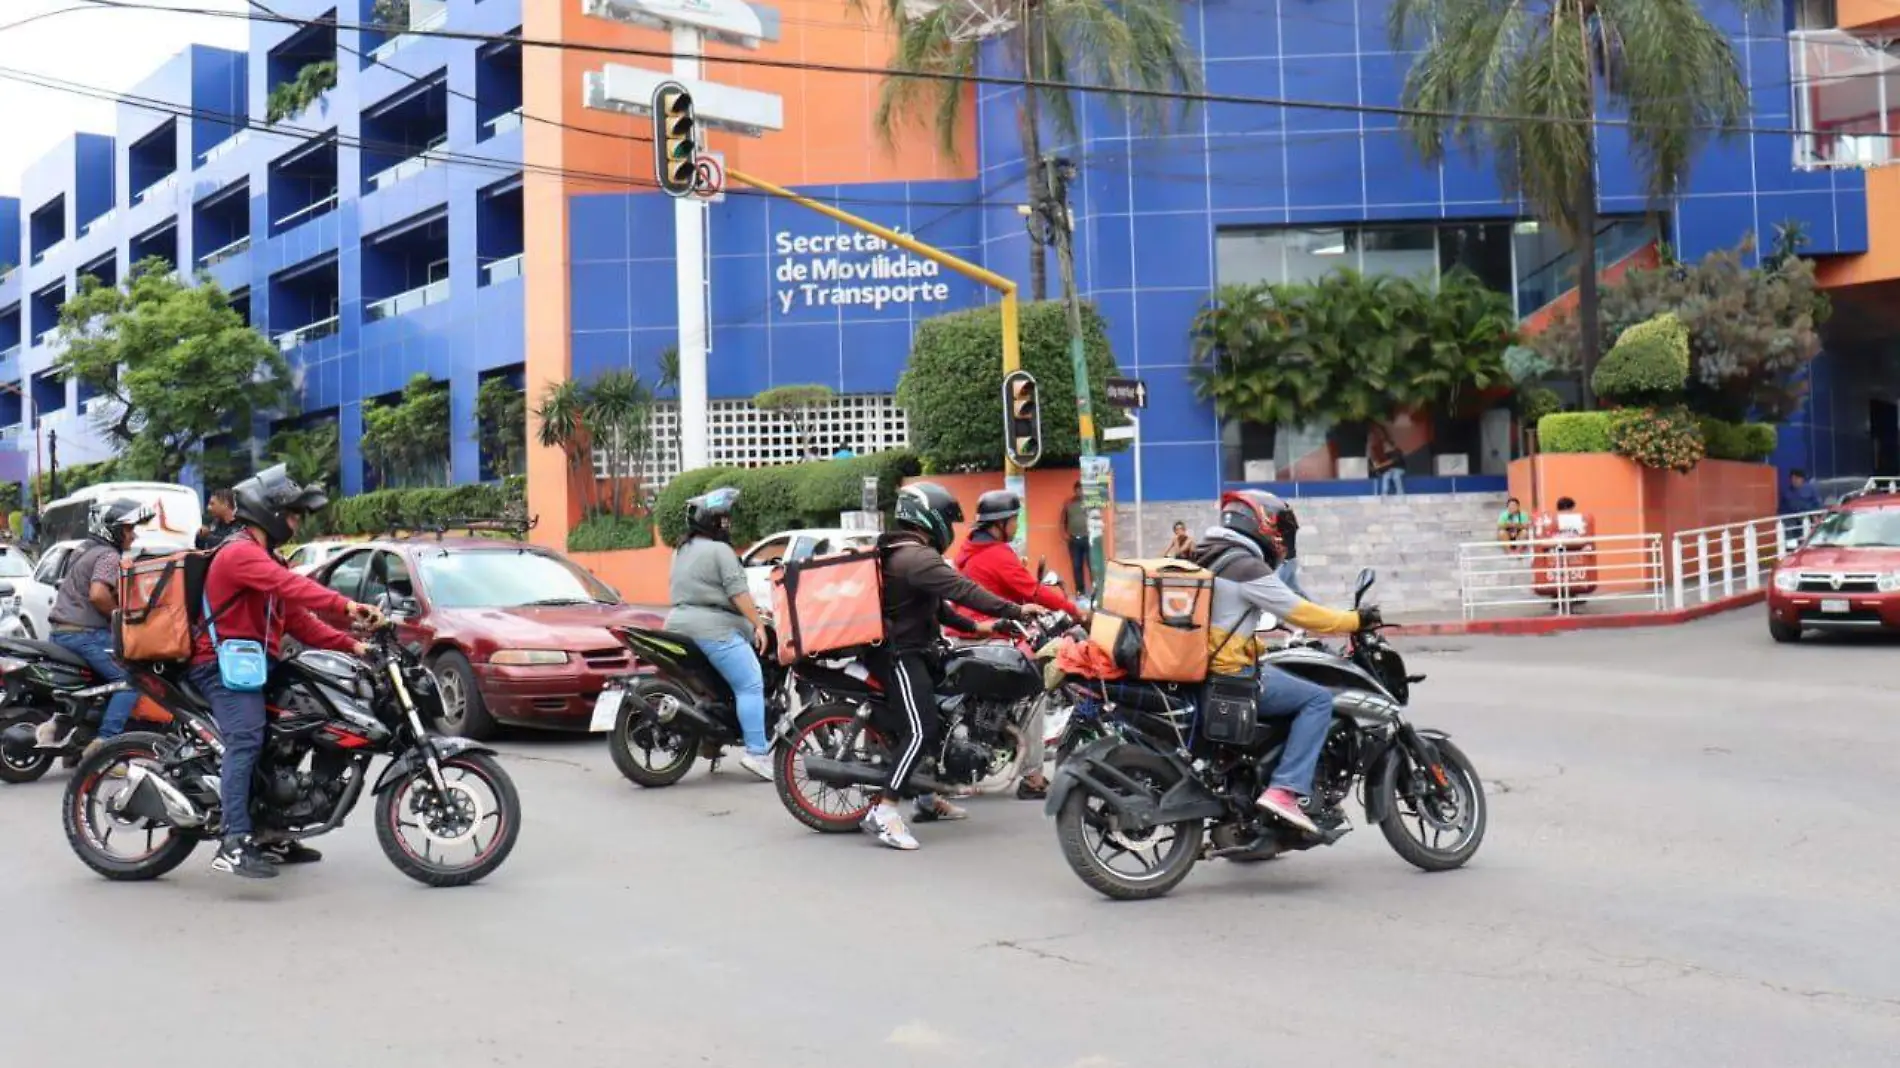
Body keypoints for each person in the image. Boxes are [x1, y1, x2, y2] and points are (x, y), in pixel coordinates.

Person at [193, 466, 383, 879]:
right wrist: (346, 605)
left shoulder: (264, 556)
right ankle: (234, 840)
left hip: (256, 665)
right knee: (246, 739)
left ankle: (272, 829)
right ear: (268, 511)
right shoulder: (240, 552)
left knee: (303, 725)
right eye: (293, 514)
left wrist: (355, 645)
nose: (296, 522)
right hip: (219, 664)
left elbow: (299, 620)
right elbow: (292, 588)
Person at [864, 482, 1041, 851]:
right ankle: (884, 810)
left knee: (946, 717)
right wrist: (1014, 609)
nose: (950, 527)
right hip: (900, 655)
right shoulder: (916, 557)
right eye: (947, 518)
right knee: (922, 730)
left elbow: (937, 608)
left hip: (921, 649)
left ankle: (928, 799)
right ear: (927, 517)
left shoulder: (907, 554)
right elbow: (963, 590)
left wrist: (980, 627)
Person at [1191, 490, 1376, 835]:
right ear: (1261, 523)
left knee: (1280, 675)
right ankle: (1285, 790)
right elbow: (1301, 612)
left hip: (1203, 671)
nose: (1281, 538)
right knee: (1318, 699)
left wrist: (1255, 645)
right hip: (1231, 676)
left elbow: (1218, 622)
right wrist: (1356, 620)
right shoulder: (1244, 566)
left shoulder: (1206, 555)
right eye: (1279, 529)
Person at [950, 489, 1085, 800]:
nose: (1016, 526)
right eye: (1014, 520)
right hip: (987, 636)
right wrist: (1074, 609)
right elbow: (1032, 591)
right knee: (1034, 692)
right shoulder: (997, 554)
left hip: (970, 634)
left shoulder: (972, 550)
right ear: (1001, 523)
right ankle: (1034, 777)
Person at [665, 487, 773, 782]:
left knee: (714, 689)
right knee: (750, 683)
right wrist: (759, 624)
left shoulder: (681, 549)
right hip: (713, 629)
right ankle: (757, 753)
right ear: (710, 521)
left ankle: (709, 740)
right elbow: (738, 593)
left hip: (677, 623)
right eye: (723, 518)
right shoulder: (720, 551)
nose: (727, 523)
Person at [41, 498, 152, 755]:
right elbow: (99, 595)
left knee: (103, 687)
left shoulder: (84, 550)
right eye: (128, 529)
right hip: (84, 635)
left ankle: (78, 742)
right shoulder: (108, 556)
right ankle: (106, 745)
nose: (133, 536)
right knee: (129, 681)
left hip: (62, 633)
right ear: (112, 529)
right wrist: (121, 617)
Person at [1061, 480, 1091, 597]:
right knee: (1077, 566)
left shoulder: (1089, 503)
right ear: (1075, 490)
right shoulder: (1068, 503)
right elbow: (1062, 521)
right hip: (1074, 540)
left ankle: (1095, 592)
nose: (1080, 492)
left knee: (1092, 566)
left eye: (1082, 489)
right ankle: (1080, 592)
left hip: (1088, 539)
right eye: (1078, 489)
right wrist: (1065, 535)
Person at [1275, 503, 1306, 596]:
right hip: (1290, 561)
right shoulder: (1290, 527)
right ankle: (1313, 604)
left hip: (1287, 561)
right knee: (1295, 588)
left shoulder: (1285, 528)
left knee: (1277, 588)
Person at [1369, 424, 1405, 497]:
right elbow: (1378, 460)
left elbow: (1391, 462)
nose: (1385, 447)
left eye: (1387, 445)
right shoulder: (1386, 454)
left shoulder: (1397, 452)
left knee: (1396, 476)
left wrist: (1379, 466)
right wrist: (1376, 465)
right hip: (1390, 470)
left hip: (1399, 469)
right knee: (1386, 475)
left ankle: (1400, 493)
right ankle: (1384, 493)